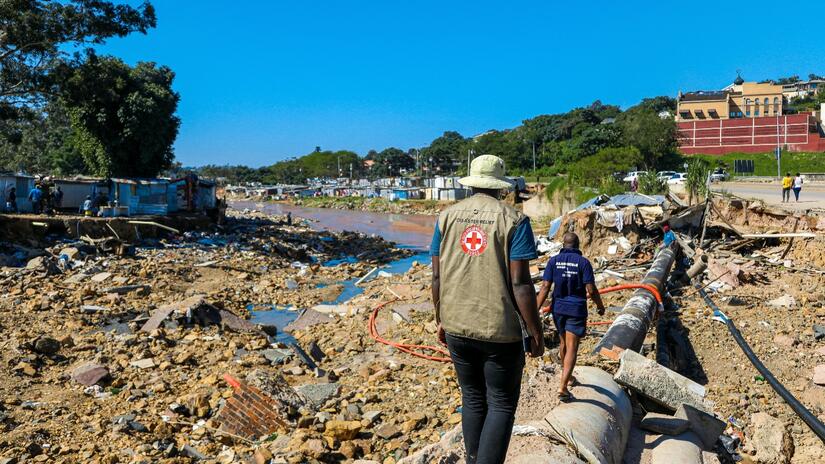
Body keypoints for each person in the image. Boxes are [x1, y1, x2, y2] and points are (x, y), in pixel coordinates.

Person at [431, 154, 542, 464]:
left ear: (471, 183)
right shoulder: (515, 220)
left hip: (456, 326)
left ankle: (473, 459)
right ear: (500, 186)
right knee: (502, 403)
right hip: (499, 331)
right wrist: (536, 332)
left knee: (473, 398)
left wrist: (440, 318)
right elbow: (521, 284)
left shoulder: (446, 218)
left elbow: (437, 276)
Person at [535, 232, 605, 401]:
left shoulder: (553, 262)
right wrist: (600, 305)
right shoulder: (583, 263)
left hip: (558, 309)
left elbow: (545, 286)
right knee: (572, 347)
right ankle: (563, 386)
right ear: (578, 244)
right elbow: (591, 289)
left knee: (563, 342)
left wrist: (535, 308)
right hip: (575, 309)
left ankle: (568, 377)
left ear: (563, 244)